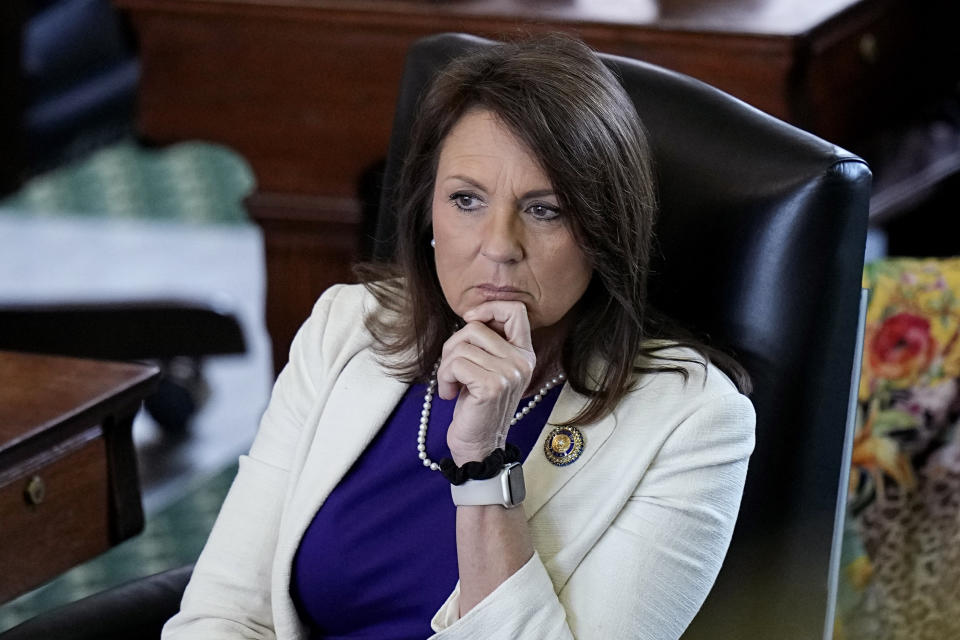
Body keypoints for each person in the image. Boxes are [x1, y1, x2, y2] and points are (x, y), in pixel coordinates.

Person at [163, 33, 755, 640]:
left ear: (604, 230)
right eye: (466, 200)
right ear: (427, 214)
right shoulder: (346, 329)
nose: (498, 246)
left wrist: (482, 464)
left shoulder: (693, 424)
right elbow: (222, 614)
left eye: (544, 208)